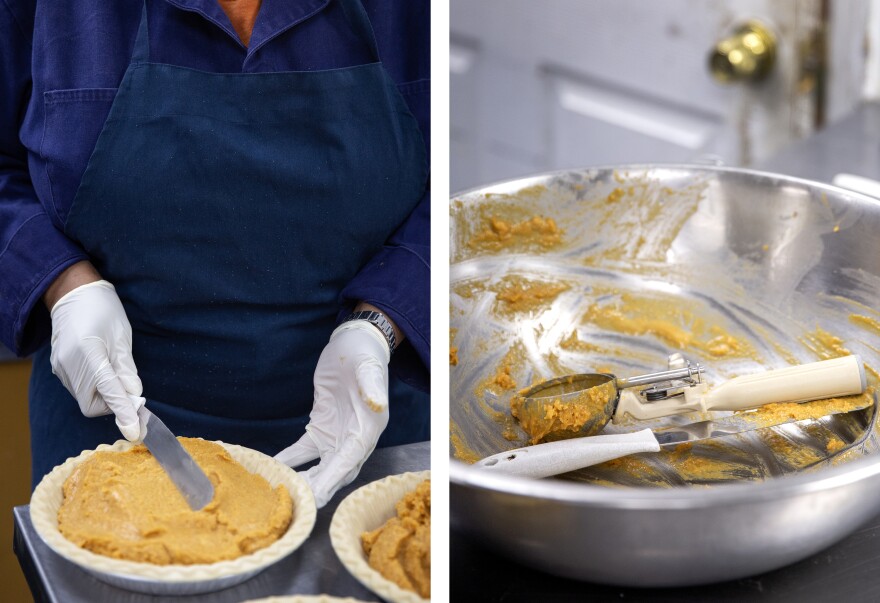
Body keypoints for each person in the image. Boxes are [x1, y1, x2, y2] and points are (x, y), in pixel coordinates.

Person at [0, 0, 430, 508]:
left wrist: (380, 323)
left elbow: (453, 187)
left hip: (370, 429)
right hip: (106, 436)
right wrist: (60, 281)